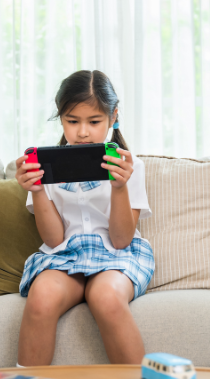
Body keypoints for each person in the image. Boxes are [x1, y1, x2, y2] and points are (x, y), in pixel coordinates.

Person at [14, 70, 154, 366]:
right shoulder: (44, 167)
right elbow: (54, 240)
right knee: (41, 297)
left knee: (106, 297)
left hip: (117, 256)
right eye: (72, 121)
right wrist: (37, 191)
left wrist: (119, 187)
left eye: (94, 121)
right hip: (66, 255)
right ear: (61, 118)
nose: (82, 133)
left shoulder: (131, 166)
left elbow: (120, 240)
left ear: (113, 117)